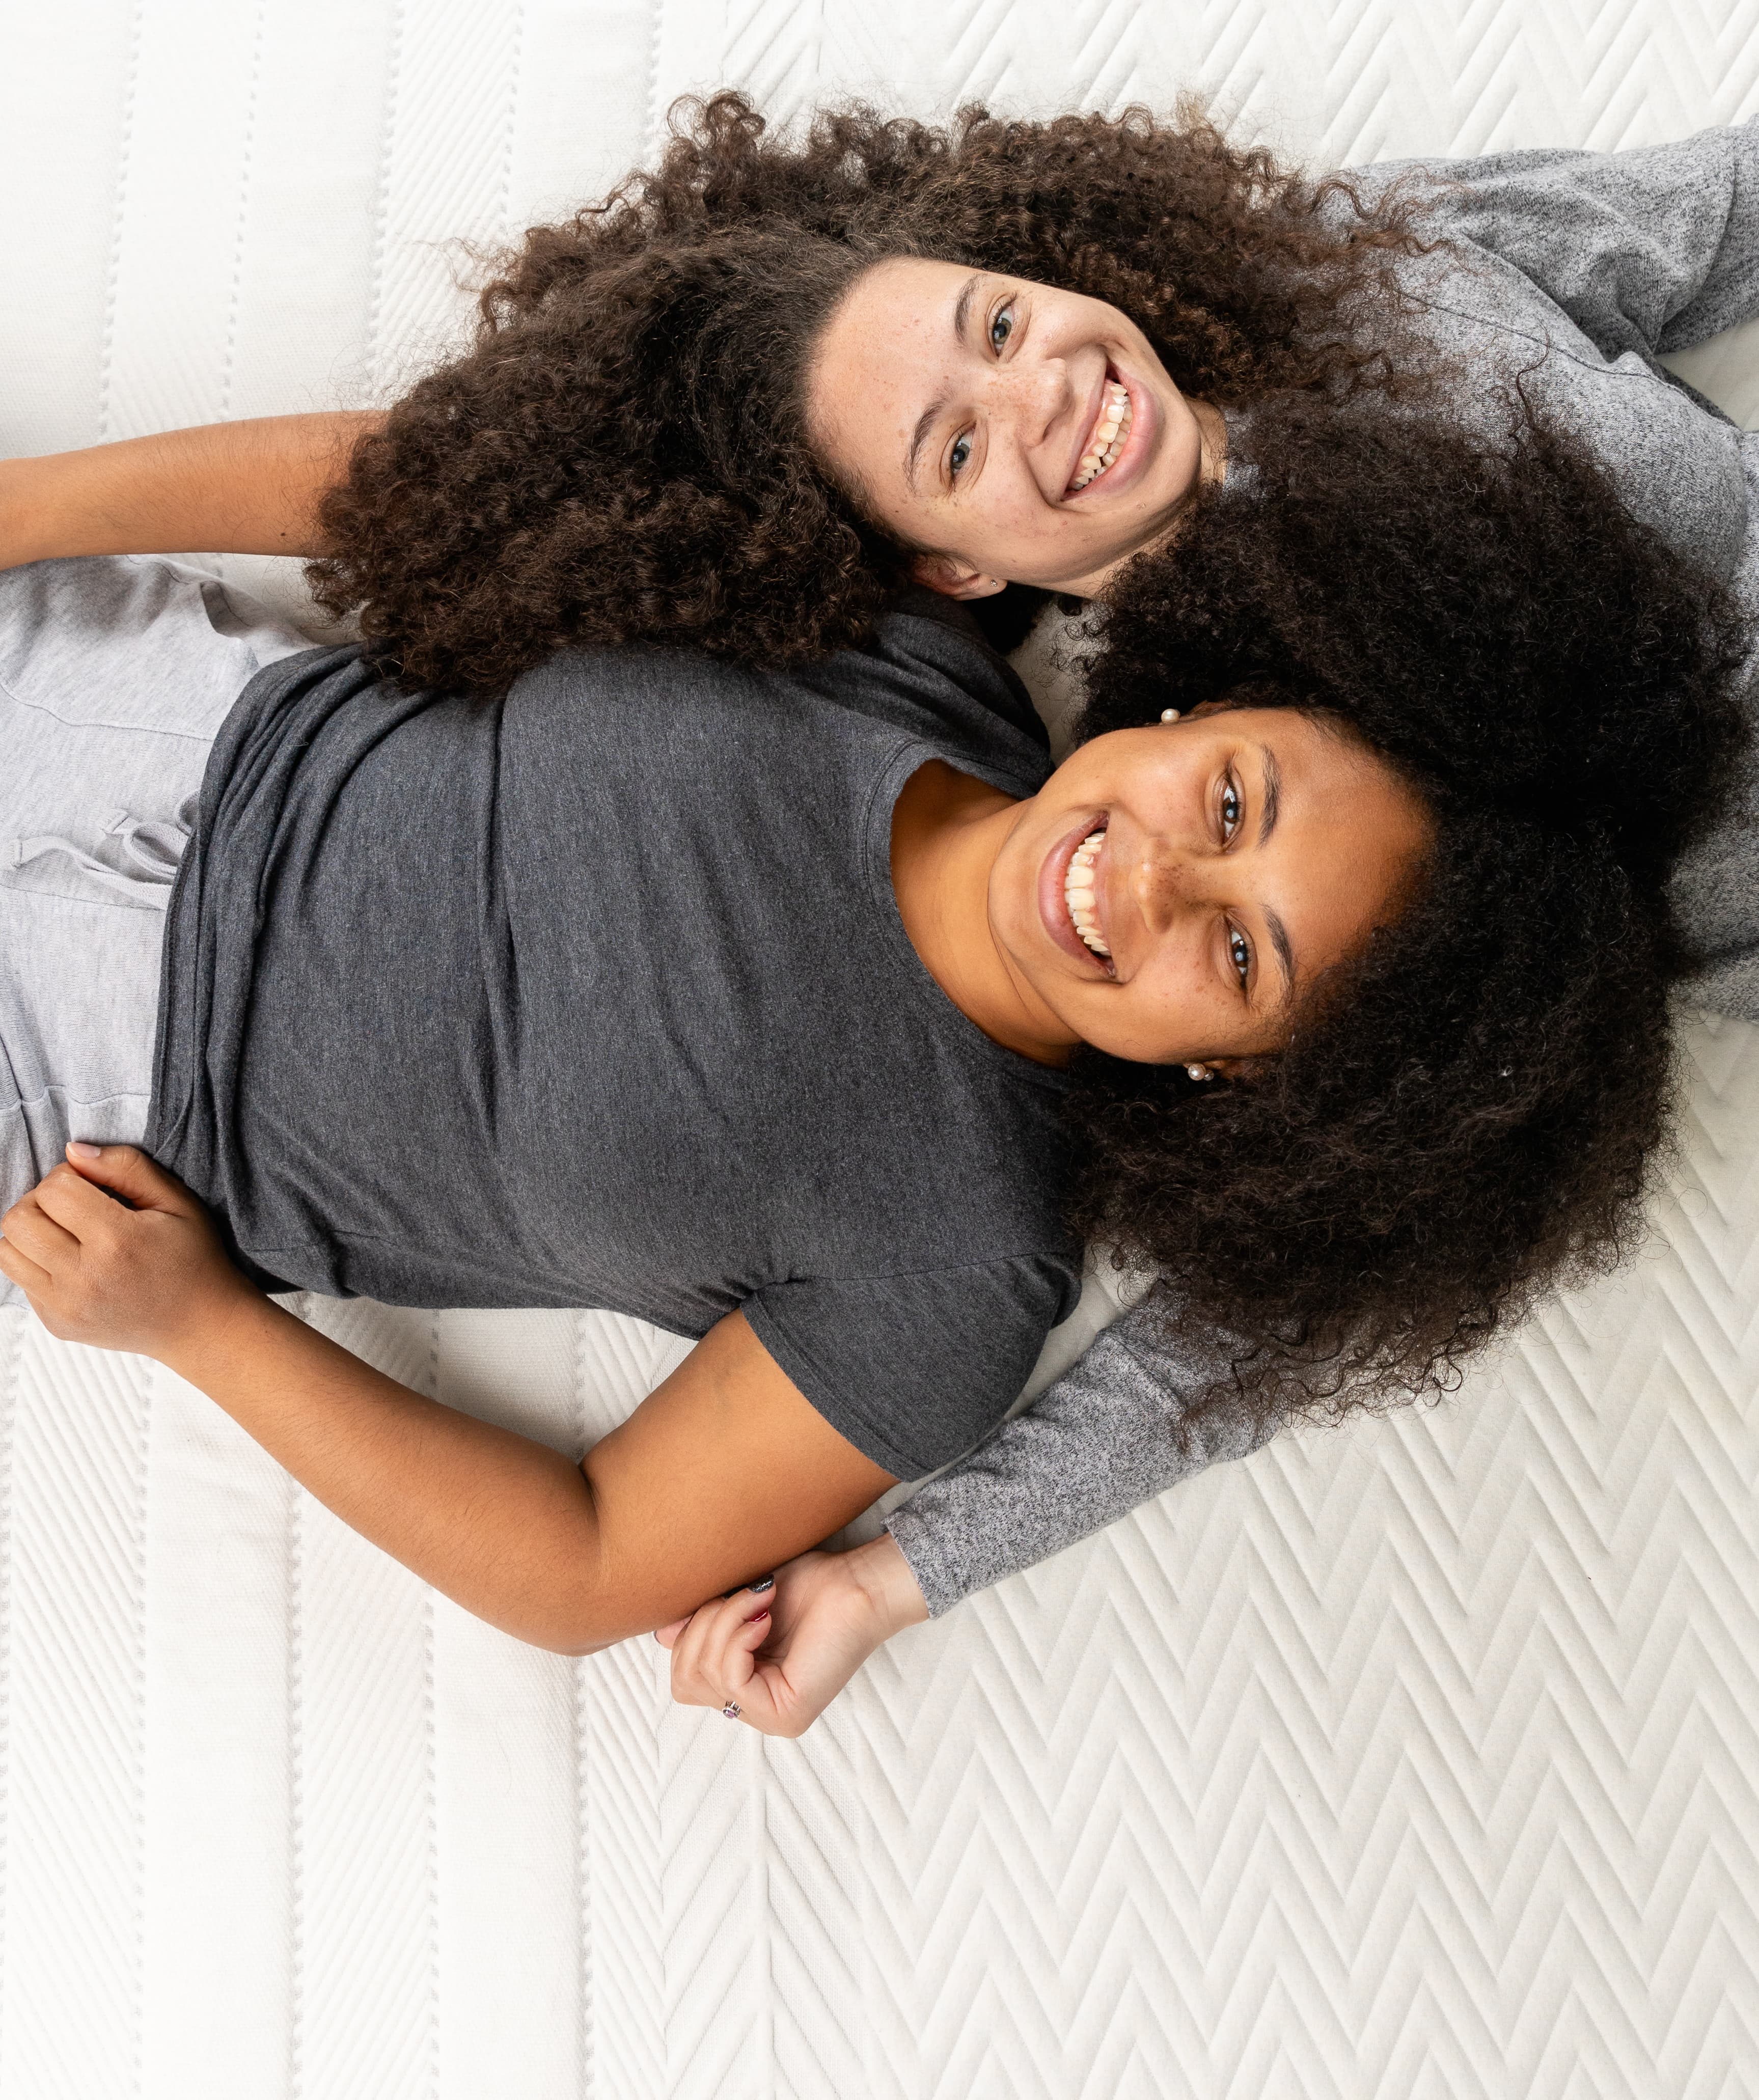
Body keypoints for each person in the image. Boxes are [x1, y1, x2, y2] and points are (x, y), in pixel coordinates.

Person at [0, 393, 1745, 1671]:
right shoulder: (892, 628)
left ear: (1257, 1078)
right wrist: (16, 504)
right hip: (152, 714)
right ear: (1215, 697)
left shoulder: (959, 1267)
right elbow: (429, 483)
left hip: (95, 1093)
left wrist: (203, 1331)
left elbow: (592, 1564)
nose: (1145, 881)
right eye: (1231, 796)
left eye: (1241, 955)